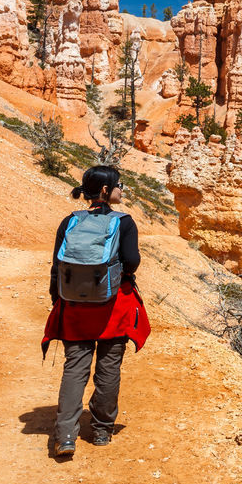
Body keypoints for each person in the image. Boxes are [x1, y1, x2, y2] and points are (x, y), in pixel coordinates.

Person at [42, 165, 151, 458]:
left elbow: (57, 267)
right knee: (108, 368)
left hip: (75, 308)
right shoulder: (124, 222)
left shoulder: (70, 221)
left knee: (75, 369)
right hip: (112, 307)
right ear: (105, 190)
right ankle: (102, 430)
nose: (121, 190)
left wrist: (59, 302)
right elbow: (131, 262)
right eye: (119, 185)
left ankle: (65, 435)